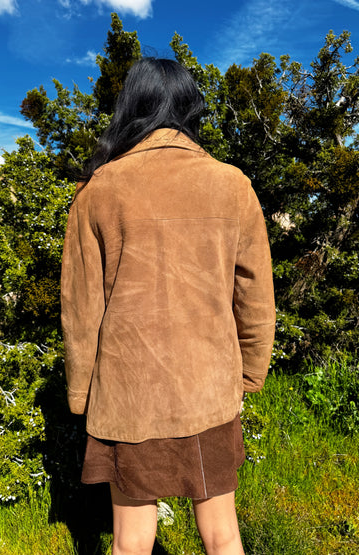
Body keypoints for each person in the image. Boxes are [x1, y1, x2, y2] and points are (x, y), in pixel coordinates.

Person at [61, 57, 275, 555]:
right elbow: (256, 297)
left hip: (128, 397)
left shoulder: (98, 191)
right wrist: (247, 377)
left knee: (131, 542)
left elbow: (80, 308)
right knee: (223, 537)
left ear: (130, 108)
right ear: (189, 108)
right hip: (208, 392)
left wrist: (81, 395)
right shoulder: (232, 184)